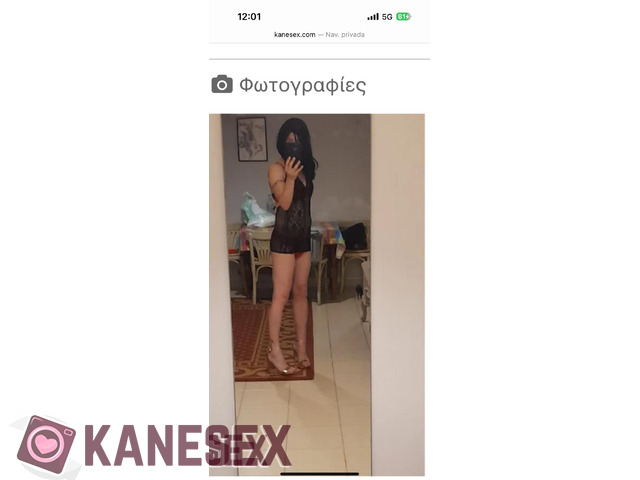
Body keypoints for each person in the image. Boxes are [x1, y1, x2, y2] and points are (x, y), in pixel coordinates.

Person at [266, 118, 318, 375]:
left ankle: (300, 346)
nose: (293, 146)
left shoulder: (306, 169)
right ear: (281, 143)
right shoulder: (276, 169)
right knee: (281, 295)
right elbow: (285, 204)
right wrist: (289, 178)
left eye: (297, 141)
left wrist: (297, 174)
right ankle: (274, 350)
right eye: (289, 142)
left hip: (303, 239)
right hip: (284, 239)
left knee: (301, 292)